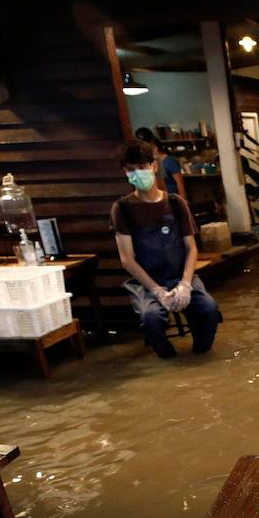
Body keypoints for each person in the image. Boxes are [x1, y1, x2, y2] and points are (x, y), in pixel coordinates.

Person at [111, 139, 221, 357]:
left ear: (153, 166)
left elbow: (191, 249)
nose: (137, 173)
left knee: (208, 309)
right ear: (125, 172)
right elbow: (127, 259)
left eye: (141, 167)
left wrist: (185, 284)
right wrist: (157, 290)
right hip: (146, 282)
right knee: (151, 318)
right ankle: (168, 358)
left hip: (180, 275)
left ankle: (201, 354)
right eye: (131, 170)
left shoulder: (176, 203)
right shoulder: (122, 208)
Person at [134, 127, 186, 199]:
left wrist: (183, 202)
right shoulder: (147, 162)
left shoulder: (169, 161)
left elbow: (180, 184)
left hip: (170, 199)